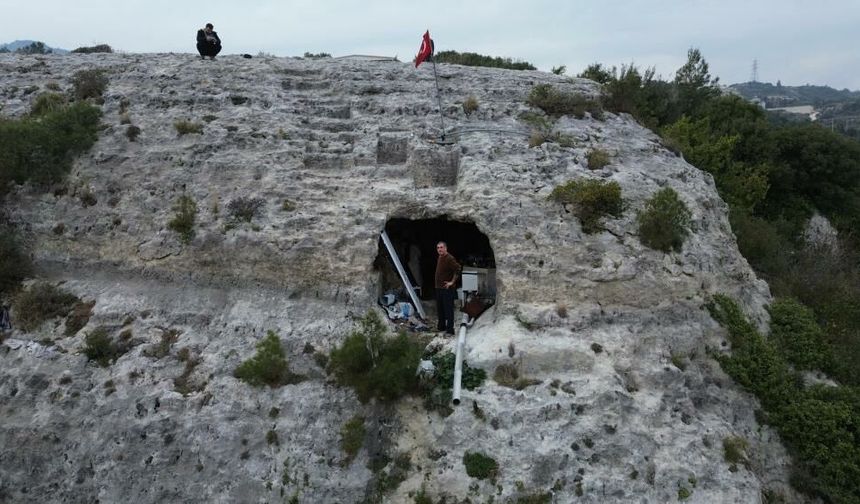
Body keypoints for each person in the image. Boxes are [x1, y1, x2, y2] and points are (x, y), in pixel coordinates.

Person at [434, 241, 460, 335]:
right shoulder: (440, 257)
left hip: (447, 288)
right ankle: (441, 327)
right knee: (440, 308)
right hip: (439, 288)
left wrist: (452, 282)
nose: (439, 249)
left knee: (448, 309)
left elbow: (457, 269)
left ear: (445, 248)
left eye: (441, 247)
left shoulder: (449, 258)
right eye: (438, 248)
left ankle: (450, 330)